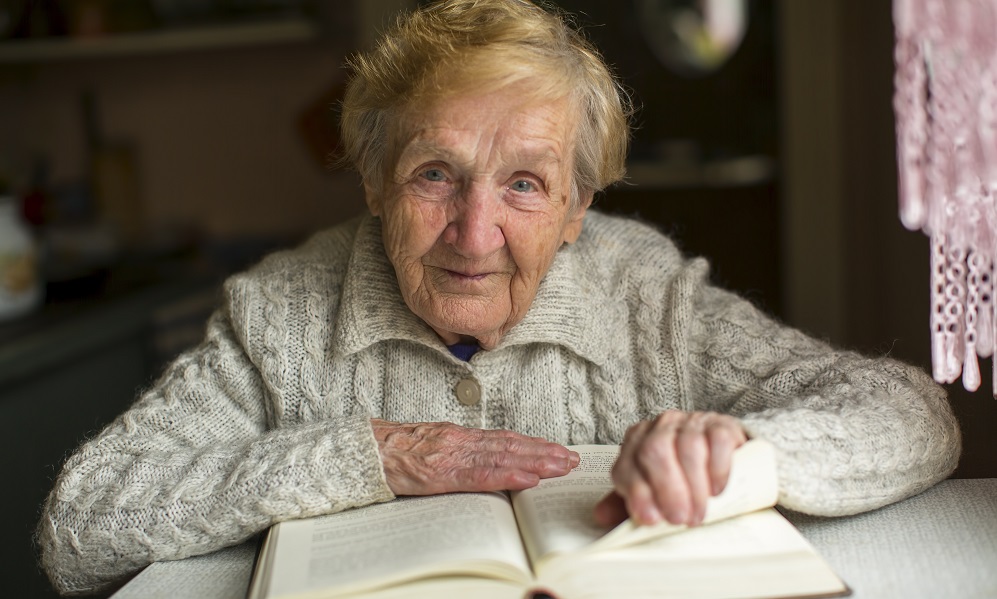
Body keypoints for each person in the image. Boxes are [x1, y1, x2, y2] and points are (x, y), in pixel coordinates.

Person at [37, 0, 960, 595]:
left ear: (575, 208)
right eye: (434, 173)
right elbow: (79, 524)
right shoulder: (284, 313)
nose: (474, 234)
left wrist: (744, 453)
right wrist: (370, 455)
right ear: (371, 180)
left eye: (524, 184)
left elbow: (913, 417)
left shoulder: (642, 291)